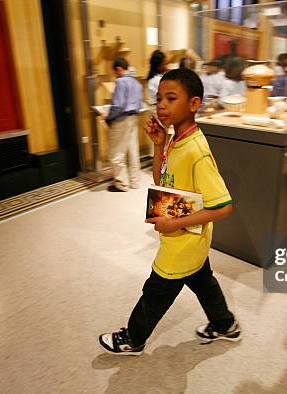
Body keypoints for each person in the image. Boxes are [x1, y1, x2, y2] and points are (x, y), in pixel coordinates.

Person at [99, 68, 241, 355]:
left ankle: (133, 338)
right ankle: (225, 324)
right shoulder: (176, 140)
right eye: (158, 98)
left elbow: (223, 207)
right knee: (202, 281)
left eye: (171, 98)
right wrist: (159, 146)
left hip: (181, 242)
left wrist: (174, 225)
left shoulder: (196, 151)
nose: (161, 105)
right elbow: (161, 182)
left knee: (156, 292)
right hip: (191, 241)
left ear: (193, 103)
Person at [105, 57, 143, 192]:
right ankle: (135, 181)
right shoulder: (136, 83)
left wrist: (108, 117)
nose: (115, 74)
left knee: (116, 153)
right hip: (133, 118)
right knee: (133, 151)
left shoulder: (120, 82)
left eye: (115, 72)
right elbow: (139, 104)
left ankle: (121, 184)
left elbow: (118, 105)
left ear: (119, 69)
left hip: (121, 120)